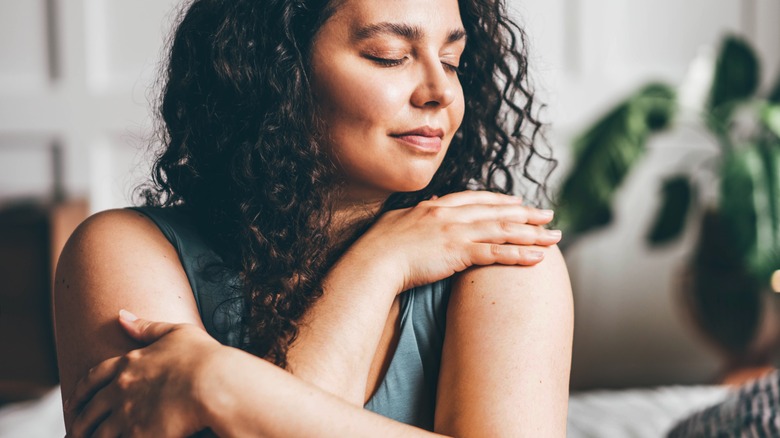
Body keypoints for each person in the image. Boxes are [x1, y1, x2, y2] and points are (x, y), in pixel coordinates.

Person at [54, 0, 574, 435]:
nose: (440, 92)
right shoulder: (125, 249)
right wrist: (380, 263)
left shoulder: (501, 253)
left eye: (452, 60)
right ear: (277, 67)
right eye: (389, 56)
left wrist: (223, 384)